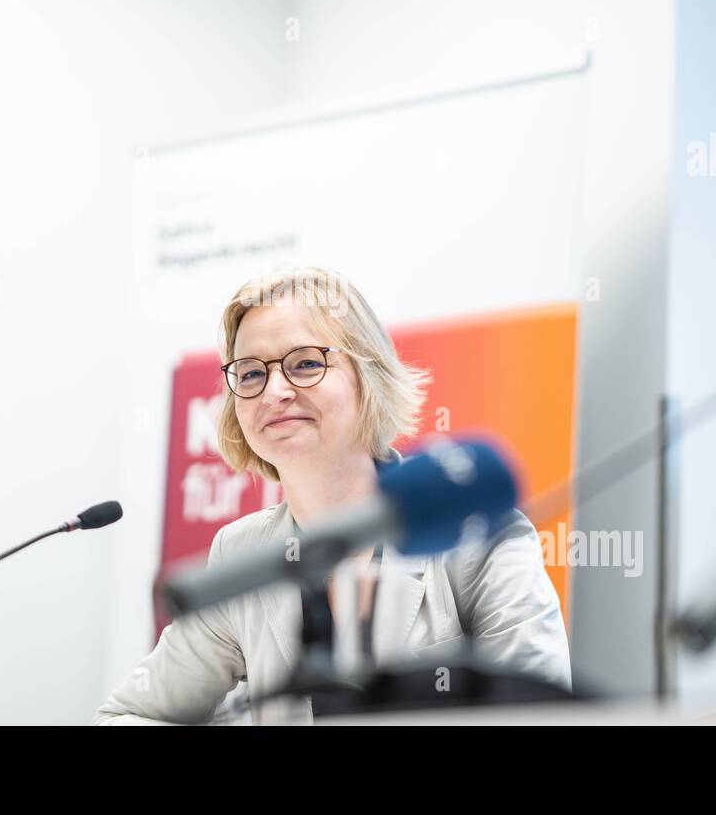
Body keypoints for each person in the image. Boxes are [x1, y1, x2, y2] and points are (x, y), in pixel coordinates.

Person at [93, 266, 571, 724]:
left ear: (369, 377)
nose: (274, 391)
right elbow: (128, 716)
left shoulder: (473, 528)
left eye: (304, 363)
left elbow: (543, 717)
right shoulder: (241, 552)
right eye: (252, 374)